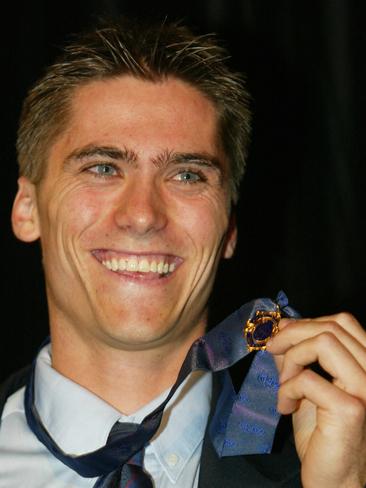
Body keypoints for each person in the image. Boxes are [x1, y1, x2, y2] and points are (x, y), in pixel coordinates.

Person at [1, 16, 366, 488]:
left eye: (188, 175)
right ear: (27, 208)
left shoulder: (329, 466)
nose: (142, 214)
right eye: (103, 167)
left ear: (229, 229)